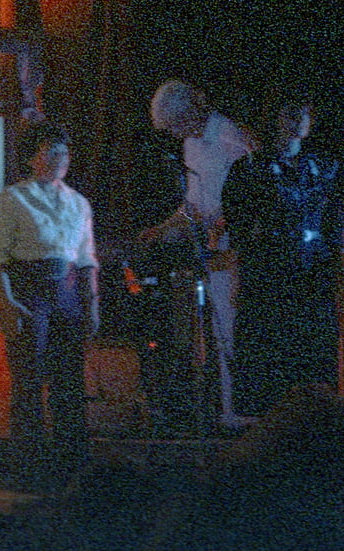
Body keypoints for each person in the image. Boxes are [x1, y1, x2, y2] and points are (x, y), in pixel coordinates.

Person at [0, 122, 98, 470]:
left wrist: (91, 306)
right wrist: (7, 301)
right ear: (32, 157)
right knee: (29, 378)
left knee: (69, 378)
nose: (59, 158)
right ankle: (28, 462)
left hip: (66, 294)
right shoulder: (13, 198)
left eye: (63, 152)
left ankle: (71, 462)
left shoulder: (79, 202)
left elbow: (85, 259)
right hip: (28, 291)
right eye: (50, 151)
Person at [143, 79, 255, 429]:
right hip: (213, 247)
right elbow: (194, 204)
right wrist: (164, 228)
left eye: (177, 125)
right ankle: (226, 411)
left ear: (192, 110)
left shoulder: (231, 139)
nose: (176, 135)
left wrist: (225, 226)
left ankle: (244, 411)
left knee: (237, 327)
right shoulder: (191, 146)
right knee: (219, 331)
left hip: (237, 247)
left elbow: (252, 200)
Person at [221, 101, 342, 418]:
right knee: (271, 364)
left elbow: (334, 226)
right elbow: (240, 232)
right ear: (274, 118)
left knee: (312, 363)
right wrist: (239, 277)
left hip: (312, 277)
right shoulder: (249, 170)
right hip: (269, 279)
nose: (300, 120)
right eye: (290, 112)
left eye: (305, 113)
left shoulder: (326, 168)